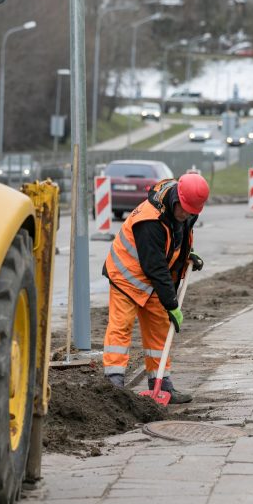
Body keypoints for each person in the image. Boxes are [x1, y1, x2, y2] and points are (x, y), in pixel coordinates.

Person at [101, 172, 210, 404]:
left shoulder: (187, 211)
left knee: (159, 331)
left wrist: (186, 257)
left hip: (153, 280)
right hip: (126, 277)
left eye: (193, 212)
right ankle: (114, 385)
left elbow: (175, 241)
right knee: (120, 328)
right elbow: (155, 265)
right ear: (175, 200)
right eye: (185, 210)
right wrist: (171, 303)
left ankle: (162, 383)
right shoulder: (149, 220)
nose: (187, 215)